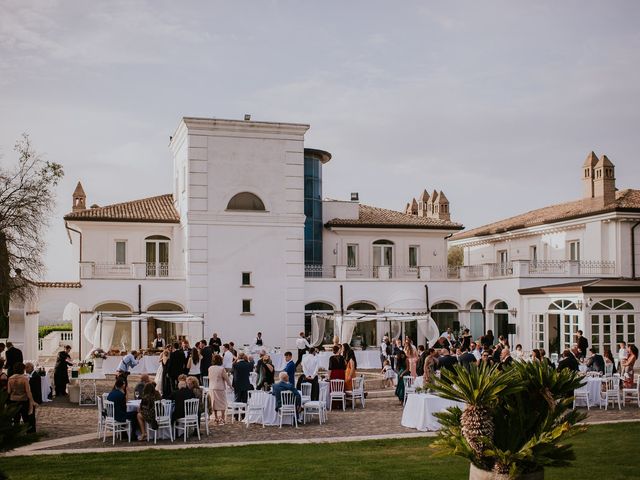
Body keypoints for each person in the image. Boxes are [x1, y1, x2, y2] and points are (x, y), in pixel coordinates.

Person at [7, 362, 36, 433]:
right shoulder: (24, 379)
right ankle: (28, 433)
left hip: (13, 400)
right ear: (22, 369)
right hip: (23, 400)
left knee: (16, 419)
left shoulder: (10, 378)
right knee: (26, 418)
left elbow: (8, 391)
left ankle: (16, 433)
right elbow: (28, 392)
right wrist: (32, 401)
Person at [208, 354, 231, 425]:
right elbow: (226, 378)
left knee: (213, 403)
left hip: (212, 387)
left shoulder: (210, 368)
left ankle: (216, 418)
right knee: (222, 403)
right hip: (220, 387)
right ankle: (223, 418)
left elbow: (210, 377)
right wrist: (230, 386)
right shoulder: (221, 369)